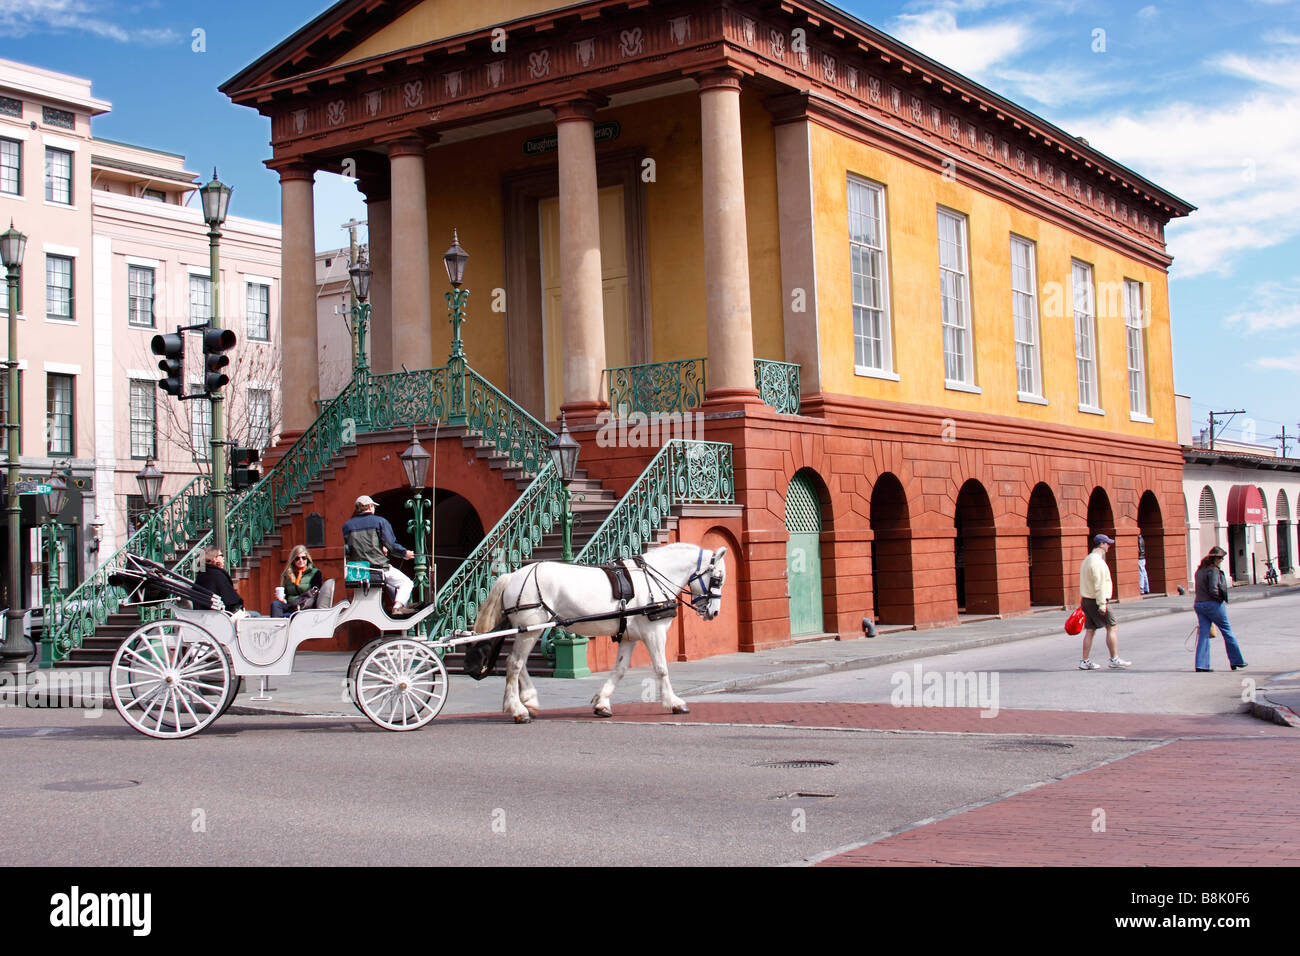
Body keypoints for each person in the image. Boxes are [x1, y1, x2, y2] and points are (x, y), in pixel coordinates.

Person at [342, 494, 416, 614]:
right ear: (370, 506)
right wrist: (404, 553)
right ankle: (397, 606)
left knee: (392, 584)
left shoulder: (347, 526)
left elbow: (350, 549)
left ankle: (403, 604)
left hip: (357, 571)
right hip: (378, 568)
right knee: (406, 582)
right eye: (374, 506)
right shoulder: (380, 522)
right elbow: (391, 545)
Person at [1078, 533, 1131, 670]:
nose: (1109, 546)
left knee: (1090, 630)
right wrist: (1102, 604)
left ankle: (1084, 661)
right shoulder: (1097, 562)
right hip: (1097, 599)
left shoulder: (1087, 559)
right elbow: (1099, 584)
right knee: (1112, 626)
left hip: (1086, 599)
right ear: (1101, 544)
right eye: (1107, 543)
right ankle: (1114, 659)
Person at [1193, 545, 1247, 672]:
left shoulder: (1199, 571)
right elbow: (1213, 589)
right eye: (1221, 559)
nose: (1221, 561)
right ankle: (1237, 661)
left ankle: (1201, 665)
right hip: (1212, 604)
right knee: (1227, 631)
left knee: (1204, 634)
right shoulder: (1213, 570)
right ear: (1216, 559)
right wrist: (1219, 600)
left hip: (1199, 604)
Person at [271, 545, 323, 618]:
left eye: (303, 558)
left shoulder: (315, 573)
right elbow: (286, 595)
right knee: (275, 604)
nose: (301, 560)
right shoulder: (287, 574)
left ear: (307, 558)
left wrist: (301, 602)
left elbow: (315, 593)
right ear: (293, 560)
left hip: (305, 605)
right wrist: (282, 599)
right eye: (297, 558)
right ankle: (278, 627)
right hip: (290, 605)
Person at [194, 546, 245, 612]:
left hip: (204, 613)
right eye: (221, 555)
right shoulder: (217, 575)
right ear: (214, 558)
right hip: (220, 615)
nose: (223, 558)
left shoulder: (202, 574)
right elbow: (231, 601)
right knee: (256, 615)